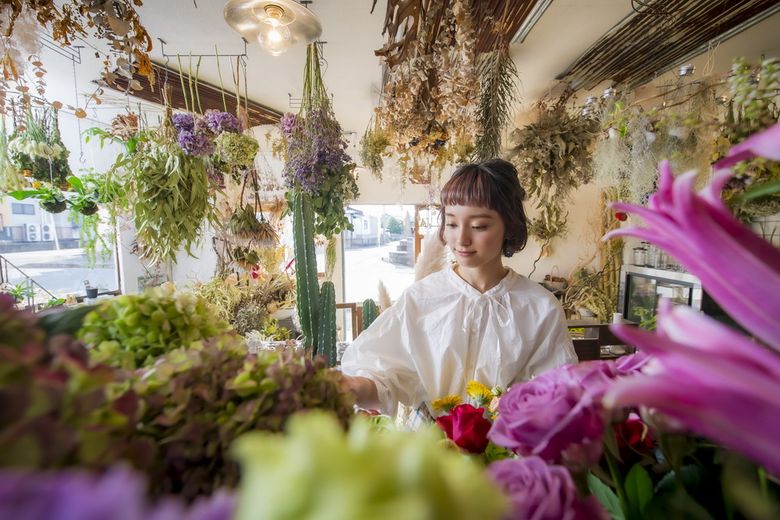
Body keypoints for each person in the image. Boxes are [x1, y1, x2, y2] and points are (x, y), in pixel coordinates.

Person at [340, 159, 576, 423]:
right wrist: (355, 387)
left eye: (478, 226)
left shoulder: (539, 307)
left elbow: (559, 395)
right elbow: (385, 376)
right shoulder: (421, 298)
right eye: (451, 224)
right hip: (431, 451)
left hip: (509, 453)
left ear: (509, 225)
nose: (461, 239)